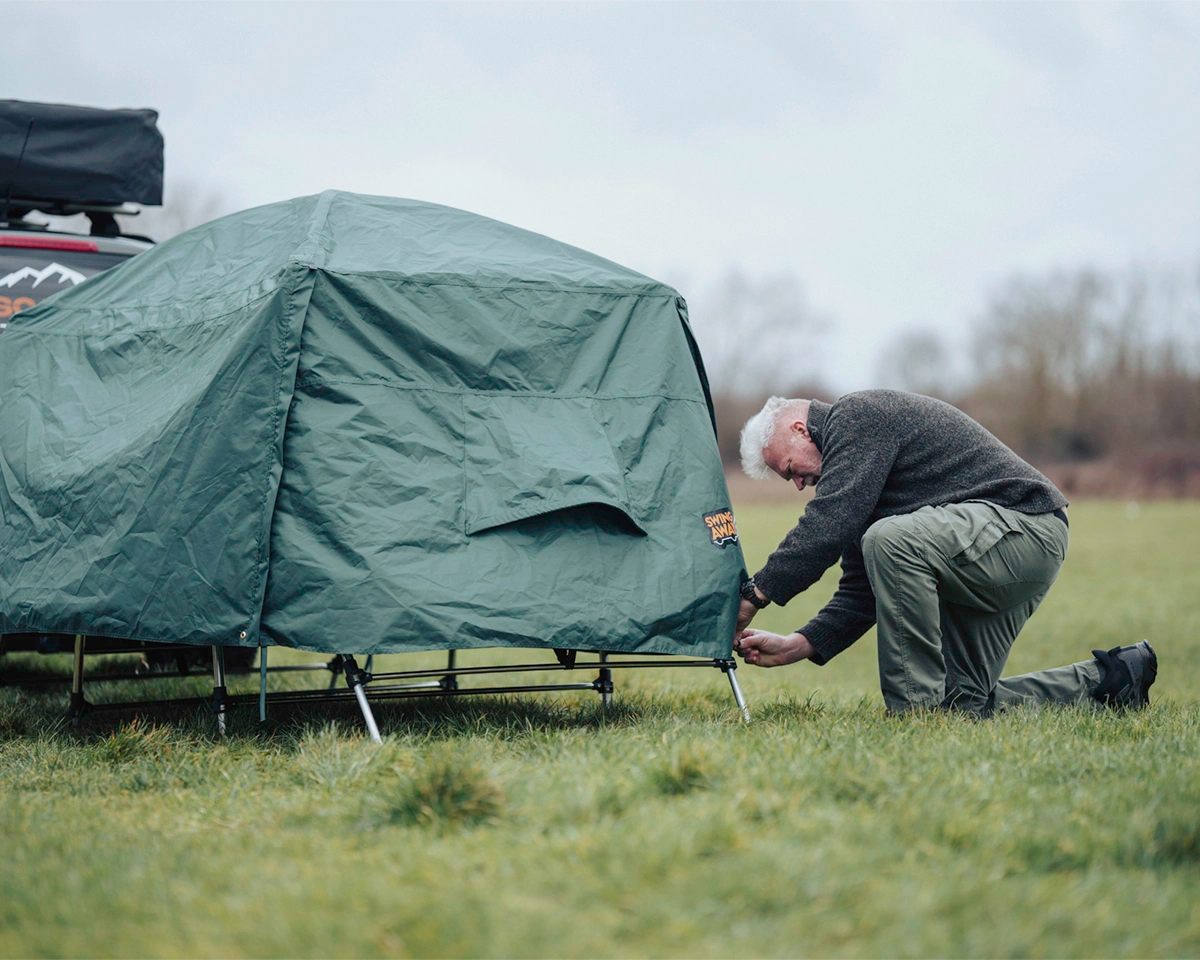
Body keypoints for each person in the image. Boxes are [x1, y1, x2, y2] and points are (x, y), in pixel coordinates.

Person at [732, 391, 1157, 715]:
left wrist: (754, 596)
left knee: (890, 540)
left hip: (1024, 530)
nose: (799, 485)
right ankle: (1114, 680)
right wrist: (798, 645)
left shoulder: (857, 418)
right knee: (962, 705)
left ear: (800, 430)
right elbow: (866, 588)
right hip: (995, 553)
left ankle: (915, 714)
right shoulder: (858, 475)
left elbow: (827, 528)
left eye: (789, 469)